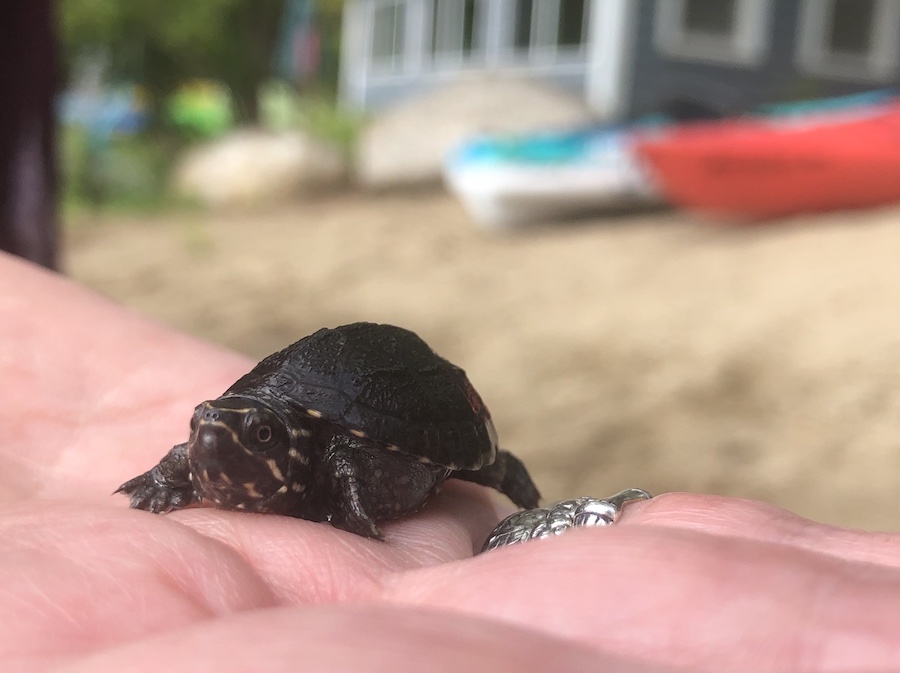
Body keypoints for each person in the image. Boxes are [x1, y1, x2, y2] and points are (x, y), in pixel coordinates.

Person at [1, 250, 898, 672]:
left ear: (298, 447)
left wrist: (351, 506)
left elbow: (353, 454)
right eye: (207, 435)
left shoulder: (341, 454)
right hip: (313, 397)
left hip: (410, 407)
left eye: (251, 437)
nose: (214, 446)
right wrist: (170, 477)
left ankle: (514, 480)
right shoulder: (223, 441)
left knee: (492, 471)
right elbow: (220, 432)